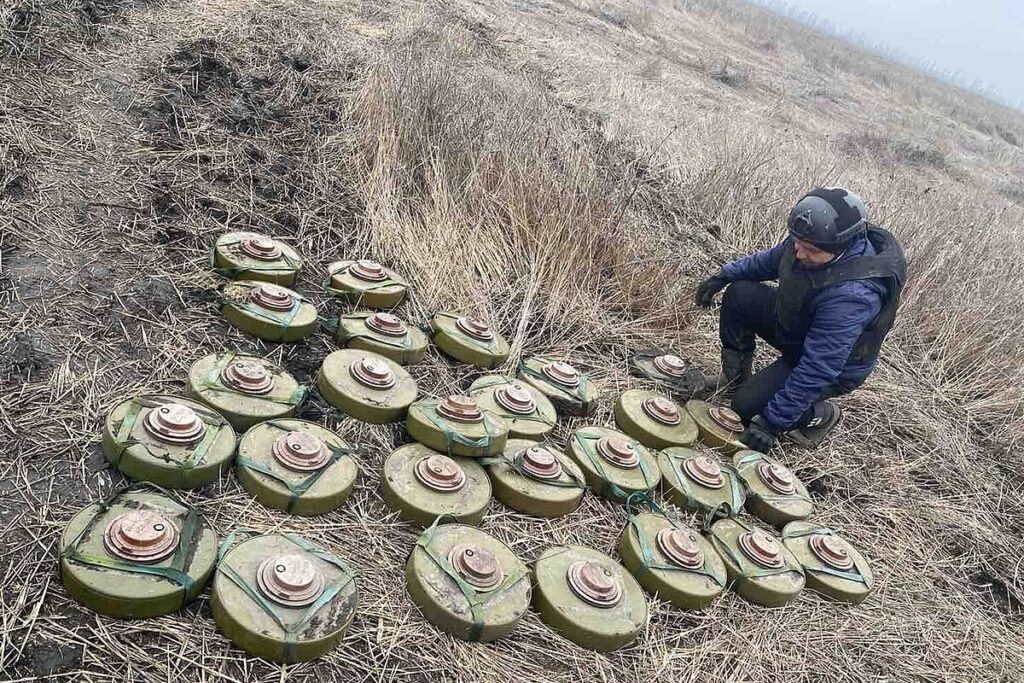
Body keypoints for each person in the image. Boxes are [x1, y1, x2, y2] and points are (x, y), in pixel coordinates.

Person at [694, 187, 907, 452]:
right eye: (797, 243)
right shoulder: (808, 242)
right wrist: (724, 275)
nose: (799, 253)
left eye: (811, 250)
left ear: (841, 247)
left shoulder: (852, 295)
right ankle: (734, 376)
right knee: (740, 292)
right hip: (801, 328)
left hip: (835, 367)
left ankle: (822, 415)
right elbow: (769, 261)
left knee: (744, 409)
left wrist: (772, 422)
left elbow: (819, 366)